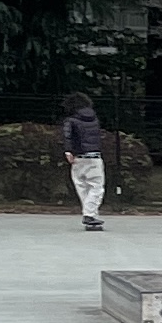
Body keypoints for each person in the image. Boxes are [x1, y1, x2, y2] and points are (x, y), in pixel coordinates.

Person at [61, 93, 106, 231]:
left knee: (82, 187)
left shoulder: (70, 120)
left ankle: (89, 215)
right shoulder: (94, 119)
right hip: (94, 156)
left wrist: (68, 151)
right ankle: (90, 215)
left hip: (78, 158)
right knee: (96, 186)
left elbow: (67, 136)